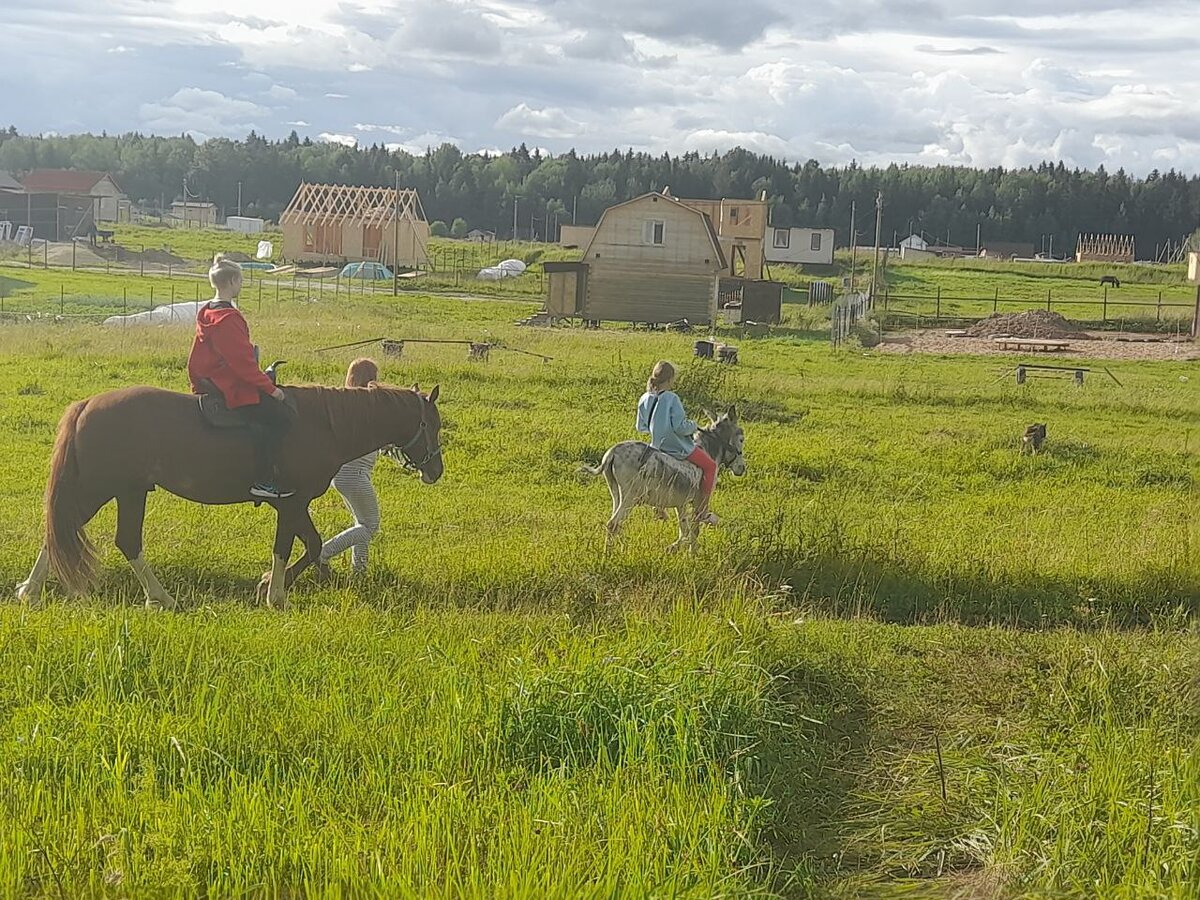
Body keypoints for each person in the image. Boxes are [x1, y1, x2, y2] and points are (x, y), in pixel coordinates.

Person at [187, 253, 295, 499]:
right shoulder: (229, 319)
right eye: (241, 280)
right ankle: (263, 480)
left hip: (211, 377)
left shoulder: (208, 312)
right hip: (228, 384)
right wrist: (272, 390)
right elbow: (243, 365)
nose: (242, 285)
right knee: (281, 418)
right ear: (233, 281)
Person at [319, 358, 383, 576]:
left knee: (361, 522)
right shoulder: (368, 407)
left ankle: (359, 570)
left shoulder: (345, 404)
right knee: (371, 526)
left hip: (342, 475)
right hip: (355, 475)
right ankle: (321, 554)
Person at [636, 360, 718, 525]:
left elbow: (641, 426)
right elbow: (680, 427)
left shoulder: (644, 398)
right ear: (670, 379)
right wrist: (693, 426)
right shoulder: (672, 398)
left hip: (657, 447)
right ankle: (702, 511)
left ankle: (658, 506)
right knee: (711, 466)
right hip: (678, 447)